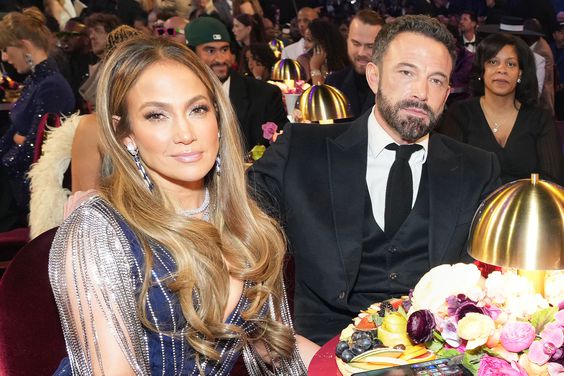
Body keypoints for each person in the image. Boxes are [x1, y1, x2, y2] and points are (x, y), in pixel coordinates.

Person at [49, 36, 318, 374]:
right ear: (126, 134)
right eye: (156, 115)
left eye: (197, 109)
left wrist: (356, 365)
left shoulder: (241, 218)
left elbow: (272, 343)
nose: (185, 132)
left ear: (217, 117)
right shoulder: (100, 232)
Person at [248, 15, 501, 345]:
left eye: (437, 80)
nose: (422, 93)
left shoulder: (478, 168)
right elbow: (232, 222)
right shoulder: (302, 149)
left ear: (448, 93)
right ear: (373, 76)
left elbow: (497, 278)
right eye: (407, 72)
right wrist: (266, 332)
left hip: (433, 354)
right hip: (320, 349)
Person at [439, 33, 564, 184]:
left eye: (511, 64)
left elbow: (552, 182)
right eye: (493, 62)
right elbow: (448, 177)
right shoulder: (460, 114)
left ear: (520, 73)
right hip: (470, 206)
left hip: (527, 205)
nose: (501, 70)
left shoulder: (540, 119)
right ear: (481, 71)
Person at [0, 7, 75, 231]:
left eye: (6, 49)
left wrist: (17, 141)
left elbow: (37, 147)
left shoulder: (51, 85)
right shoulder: (37, 81)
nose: (5, 57)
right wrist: (16, 139)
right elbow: (15, 135)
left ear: (25, 46)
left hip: (27, 192)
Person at [185, 16, 287, 152]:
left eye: (224, 49)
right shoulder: (179, 95)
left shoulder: (265, 95)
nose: (221, 59)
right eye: (210, 51)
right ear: (192, 55)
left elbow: (282, 150)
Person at [325, 9, 384, 120]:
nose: (361, 53)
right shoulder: (333, 82)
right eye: (356, 43)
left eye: (370, 46)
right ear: (347, 40)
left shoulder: (395, 87)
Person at [296, 19, 349, 85]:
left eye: (309, 40)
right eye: (305, 40)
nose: (305, 46)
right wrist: (315, 68)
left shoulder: (342, 62)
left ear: (323, 43)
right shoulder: (303, 60)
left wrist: (315, 67)